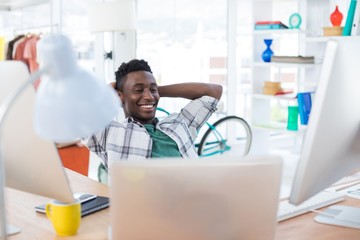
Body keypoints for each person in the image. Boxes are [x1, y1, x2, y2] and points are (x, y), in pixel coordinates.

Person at [82, 59, 223, 182]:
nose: (149, 97)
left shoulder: (178, 124)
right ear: (121, 96)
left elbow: (213, 92)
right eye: (138, 90)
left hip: (195, 201)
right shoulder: (110, 133)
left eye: (153, 90)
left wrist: (154, 90)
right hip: (145, 209)